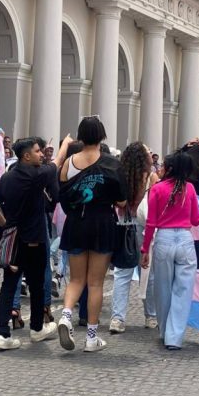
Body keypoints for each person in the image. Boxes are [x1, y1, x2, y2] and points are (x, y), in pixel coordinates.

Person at [0, 136, 71, 350]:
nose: (41, 154)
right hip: (35, 240)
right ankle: (36, 329)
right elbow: (58, 161)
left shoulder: (7, 177)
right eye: (37, 151)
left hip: (14, 241)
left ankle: (2, 333)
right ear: (26, 156)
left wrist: (8, 226)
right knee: (36, 285)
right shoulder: (37, 174)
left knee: (8, 286)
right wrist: (65, 143)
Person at [57, 117, 127, 353]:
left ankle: (66, 315)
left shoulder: (68, 163)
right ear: (102, 136)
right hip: (102, 222)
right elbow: (122, 200)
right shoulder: (112, 164)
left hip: (76, 222)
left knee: (76, 280)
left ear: (80, 136)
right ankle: (91, 337)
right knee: (95, 282)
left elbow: (63, 195)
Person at [140, 150, 199, 350]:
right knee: (183, 290)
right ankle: (174, 337)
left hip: (164, 239)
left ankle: (164, 330)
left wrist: (145, 249)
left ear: (170, 168)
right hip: (185, 239)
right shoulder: (190, 188)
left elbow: (151, 222)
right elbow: (196, 220)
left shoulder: (157, 189)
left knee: (162, 288)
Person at [109, 142, 159, 334]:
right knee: (147, 274)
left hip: (123, 225)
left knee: (122, 274)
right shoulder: (150, 178)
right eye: (148, 152)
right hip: (143, 227)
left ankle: (117, 318)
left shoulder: (120, 175)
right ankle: (151, 316)